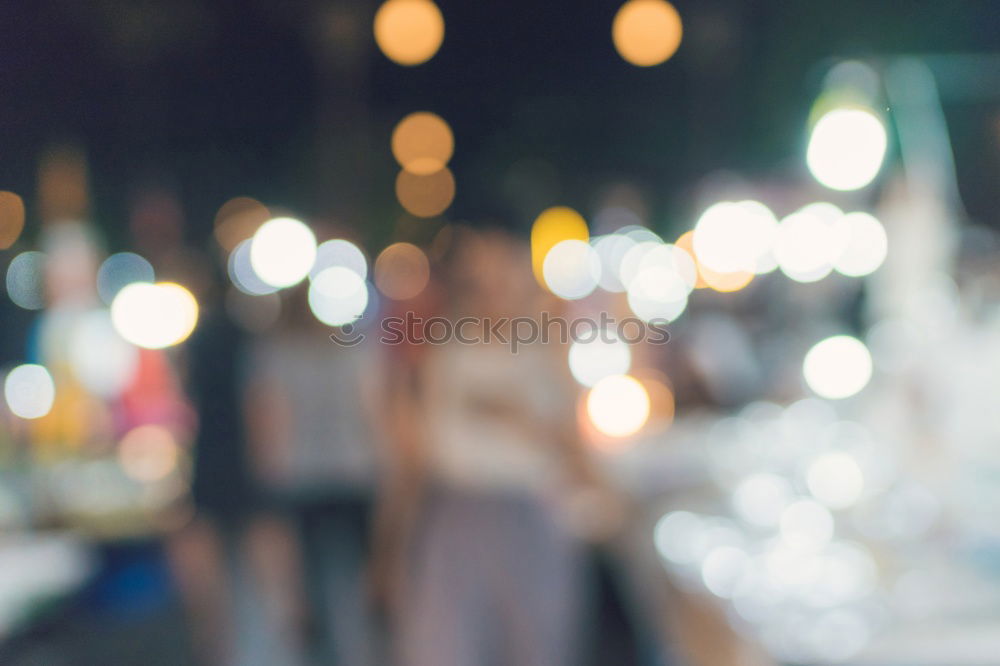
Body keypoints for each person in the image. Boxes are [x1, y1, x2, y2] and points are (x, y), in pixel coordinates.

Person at [375, 228, 605, 666]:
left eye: (502, 262)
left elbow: (576, 448)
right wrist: (393, 546)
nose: (491, 277)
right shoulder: (443, 342)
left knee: (536, 647)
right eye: (479, 264)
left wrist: (518, 419)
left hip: (530, 513)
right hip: (454, 511)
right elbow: (413, 456)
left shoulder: (548, 340)